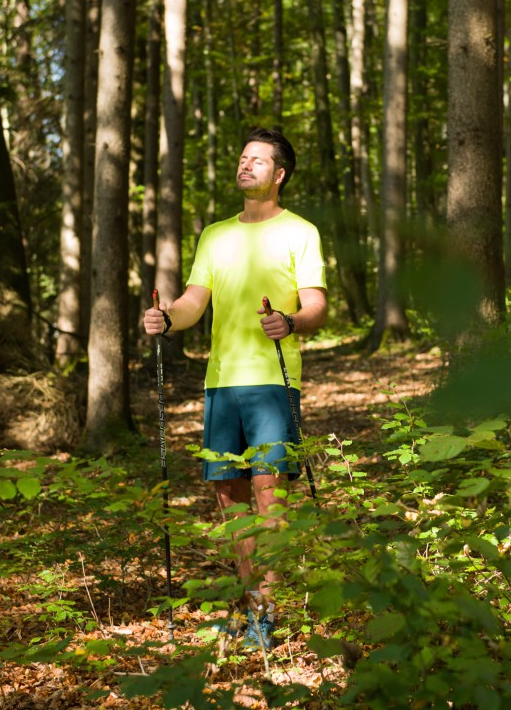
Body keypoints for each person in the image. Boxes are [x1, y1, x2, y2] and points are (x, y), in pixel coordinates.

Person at [143, 127, 327, 651]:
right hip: (221, 382)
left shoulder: (301, 231)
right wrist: (165, 318)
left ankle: (266, 615)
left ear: (280, 174)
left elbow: (315, 303)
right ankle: (252, 604)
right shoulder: (216, 235)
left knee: (271, 494)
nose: (245, 166)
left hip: (273, 380)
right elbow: (192, 301)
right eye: (242, 158)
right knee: (229, 496)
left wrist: (290, 322)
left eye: (258, 161)